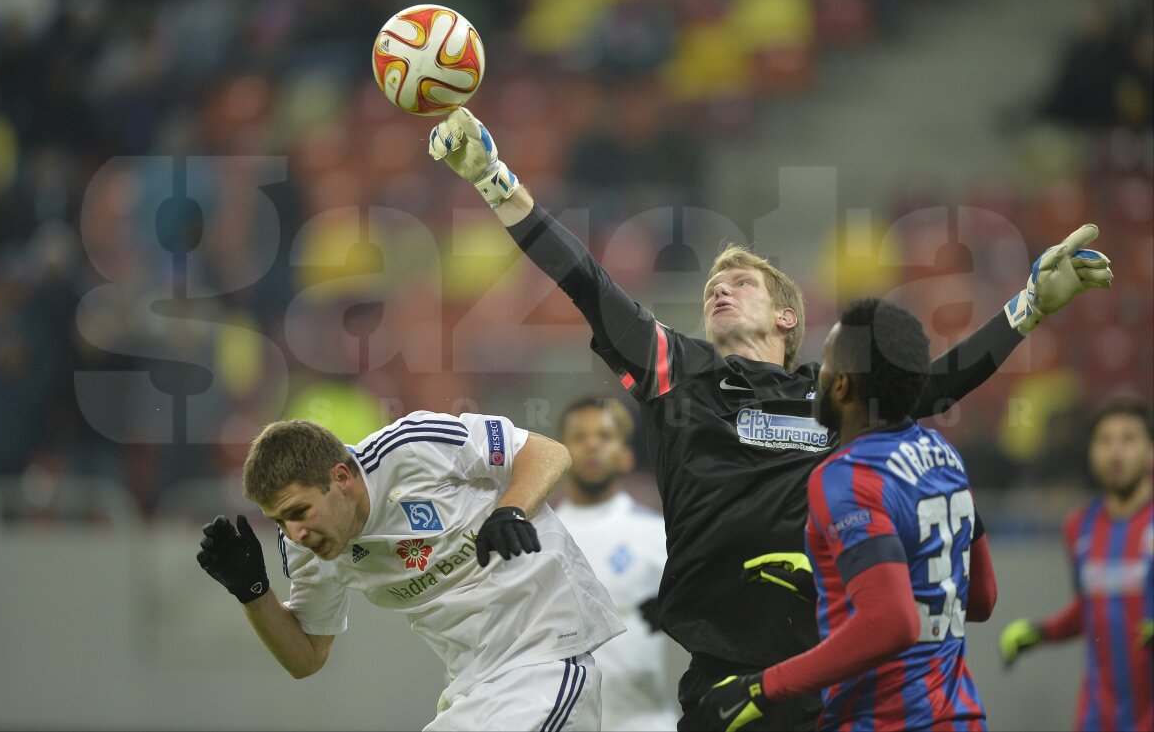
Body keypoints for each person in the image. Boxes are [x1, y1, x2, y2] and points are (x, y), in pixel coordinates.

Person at [426, 107, 1113, 730]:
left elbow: (932, 386)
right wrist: (494, 179)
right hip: (725, 678)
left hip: (833, 671)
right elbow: (585, 281)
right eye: (711, 287)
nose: (719, 290)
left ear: (787, 316)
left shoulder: (835, 396)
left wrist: (1028, 307)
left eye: (740, 283)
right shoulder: (680, 372)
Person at [196, 411, 625, 731]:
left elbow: (547, 452)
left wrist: (509, 510)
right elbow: (307, 656)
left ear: (341, 478)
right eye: (278, 522)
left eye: (299, 512)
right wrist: (253, 593)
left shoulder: (412, 447)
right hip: (472, 690)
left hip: (546, 662)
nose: (295, 532)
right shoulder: (305, 548)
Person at [697, 298, 997, 731]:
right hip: (960, 717)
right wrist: (833, 582)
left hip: (886, 722)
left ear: (840, 386)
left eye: (827, 363)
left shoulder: (844, 475)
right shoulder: (943, 455)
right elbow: (981, 597)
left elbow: (891, 622)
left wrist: (760, 688)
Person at [999, 396, 1153, 732]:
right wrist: (1041, 632)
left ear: (1150, 452)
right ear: (1091, 452)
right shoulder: (1079, 528)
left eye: (1128, 439)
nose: (1115, 452)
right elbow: (1092, 607)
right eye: (1105, 441)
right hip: (1096, 717)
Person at [555, 397, 679, 731]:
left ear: (627, 455)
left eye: (605, 436)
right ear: (560, 454)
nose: (592, 445)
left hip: (644, 722)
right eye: (579, 437)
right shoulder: (540, 540)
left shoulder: (658, 535)